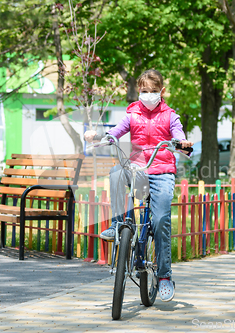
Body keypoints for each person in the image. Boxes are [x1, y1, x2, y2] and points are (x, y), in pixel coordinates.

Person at [84, 69, 193, 302]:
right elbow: (116, 131)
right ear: (138, 91)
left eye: (154, 91)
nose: (149, 95)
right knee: (115, 172)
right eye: (144, 91)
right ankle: (118, 226)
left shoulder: (170, 115)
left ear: (161, 92)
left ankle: (164, 275)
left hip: (162, 171)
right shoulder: (132, 113)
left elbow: (177, 133)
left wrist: (181, 142)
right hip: (138, 168)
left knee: (161, 220)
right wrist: (105, 138)